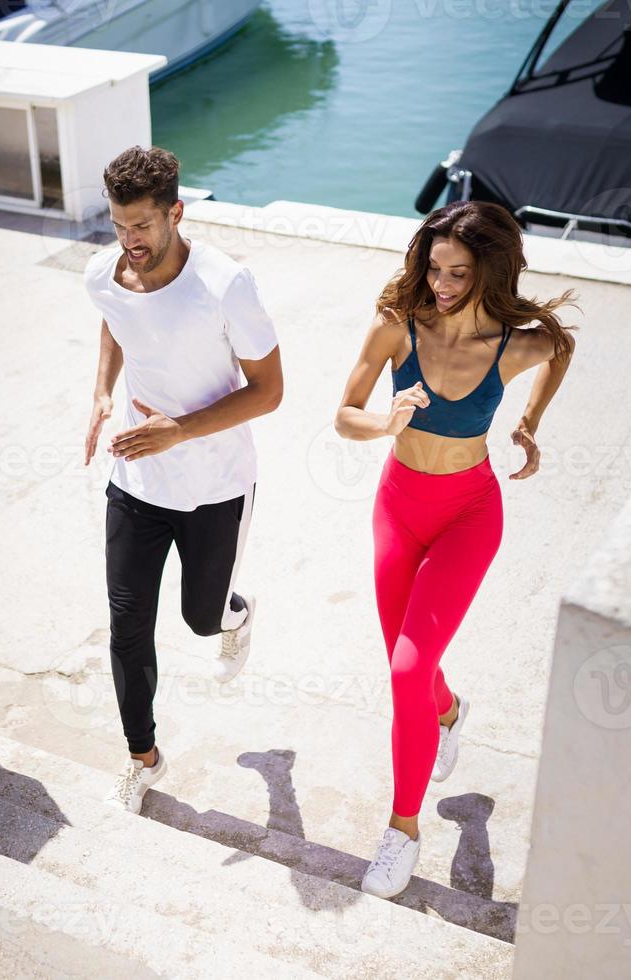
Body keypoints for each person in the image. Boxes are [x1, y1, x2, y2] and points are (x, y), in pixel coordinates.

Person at [333, 200, 578, 897]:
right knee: (409, 667)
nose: (440, 283)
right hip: (399, 508)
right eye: (434, 268)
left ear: (491, 270)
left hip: (470, 514)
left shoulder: (515, 343)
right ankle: (448, 713)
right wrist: (386, 422)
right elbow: (344, 414)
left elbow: (562, 350)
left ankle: (401, 831)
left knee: (407, 672)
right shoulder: (397, 326)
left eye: (458, 272)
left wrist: (528, 424)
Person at [82, 145, 284, 814]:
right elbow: (117, 321)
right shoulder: (102, 274)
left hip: (217, 484)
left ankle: (235, 610)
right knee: (126, 626)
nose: (129, 241)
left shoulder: (227, 284)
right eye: (117, 225)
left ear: (176, 210)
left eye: (141, 225)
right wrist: (101, 394)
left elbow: (269, 391)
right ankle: (144, 756)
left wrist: (180, 430)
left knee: (201, 620)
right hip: (137, 482)